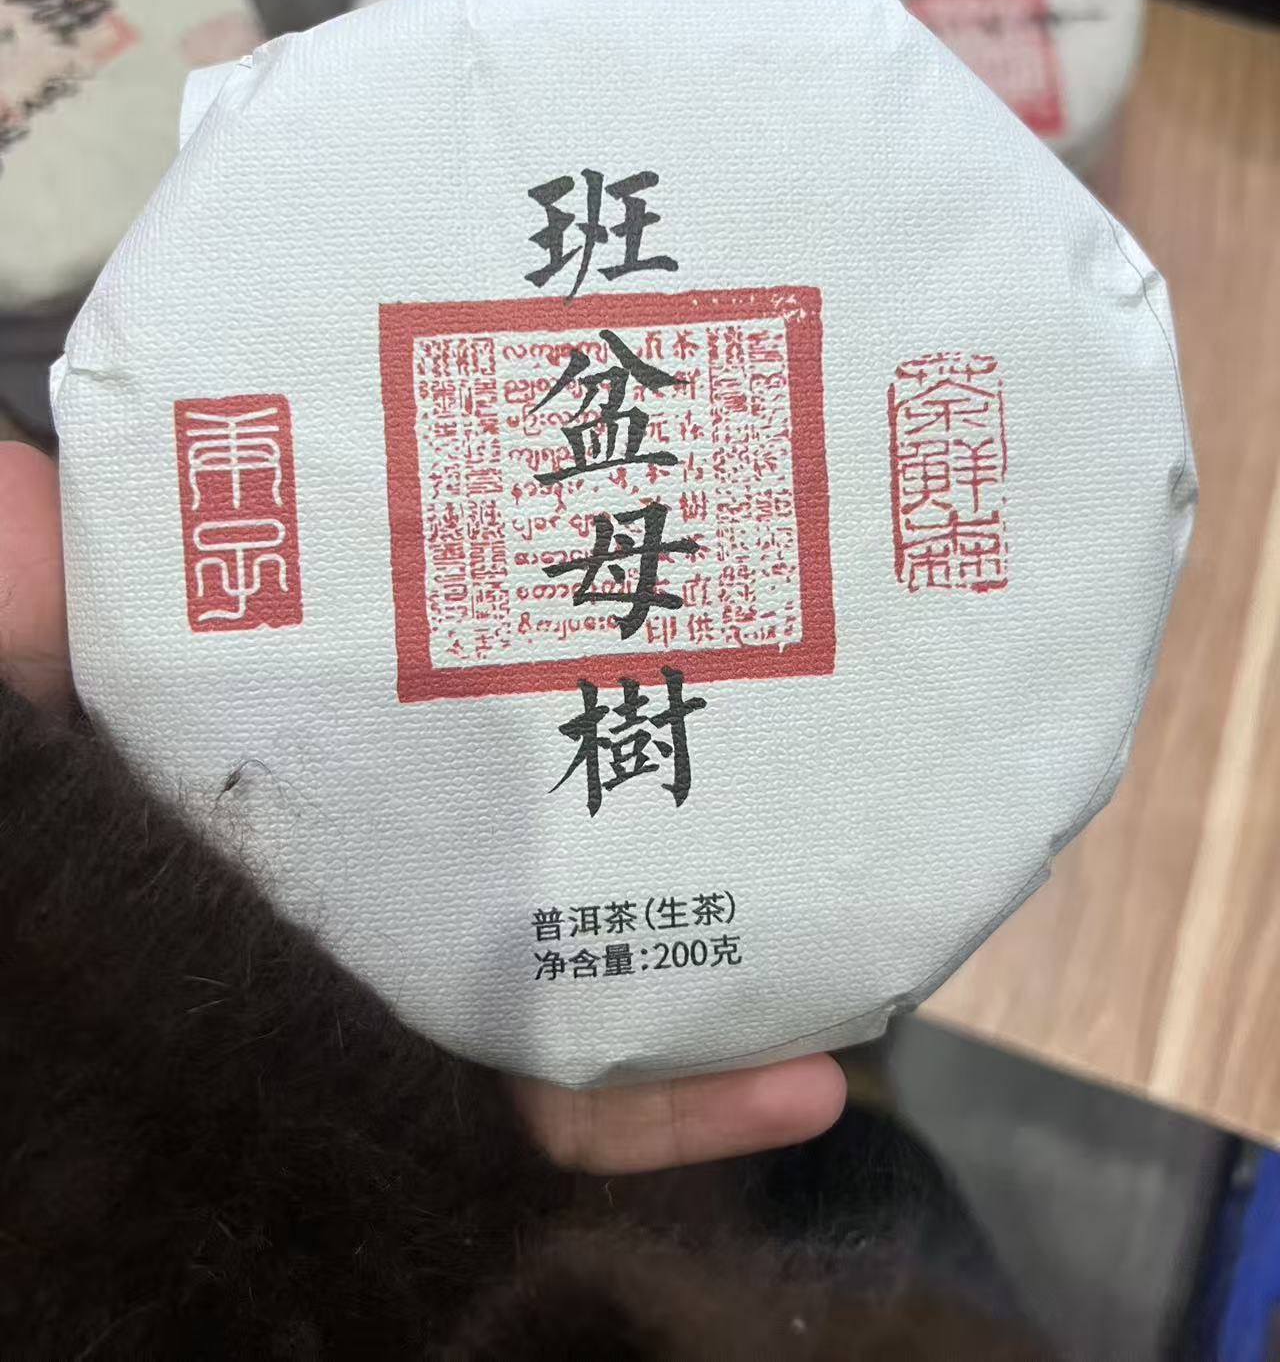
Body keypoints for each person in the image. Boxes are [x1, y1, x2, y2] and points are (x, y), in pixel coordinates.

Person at [0, 439, 1051, 1358]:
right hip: (540, 1235)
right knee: (855, 1171)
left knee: (835, 1155)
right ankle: (804, 1013)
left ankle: (796, 1011)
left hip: (500, 1207)